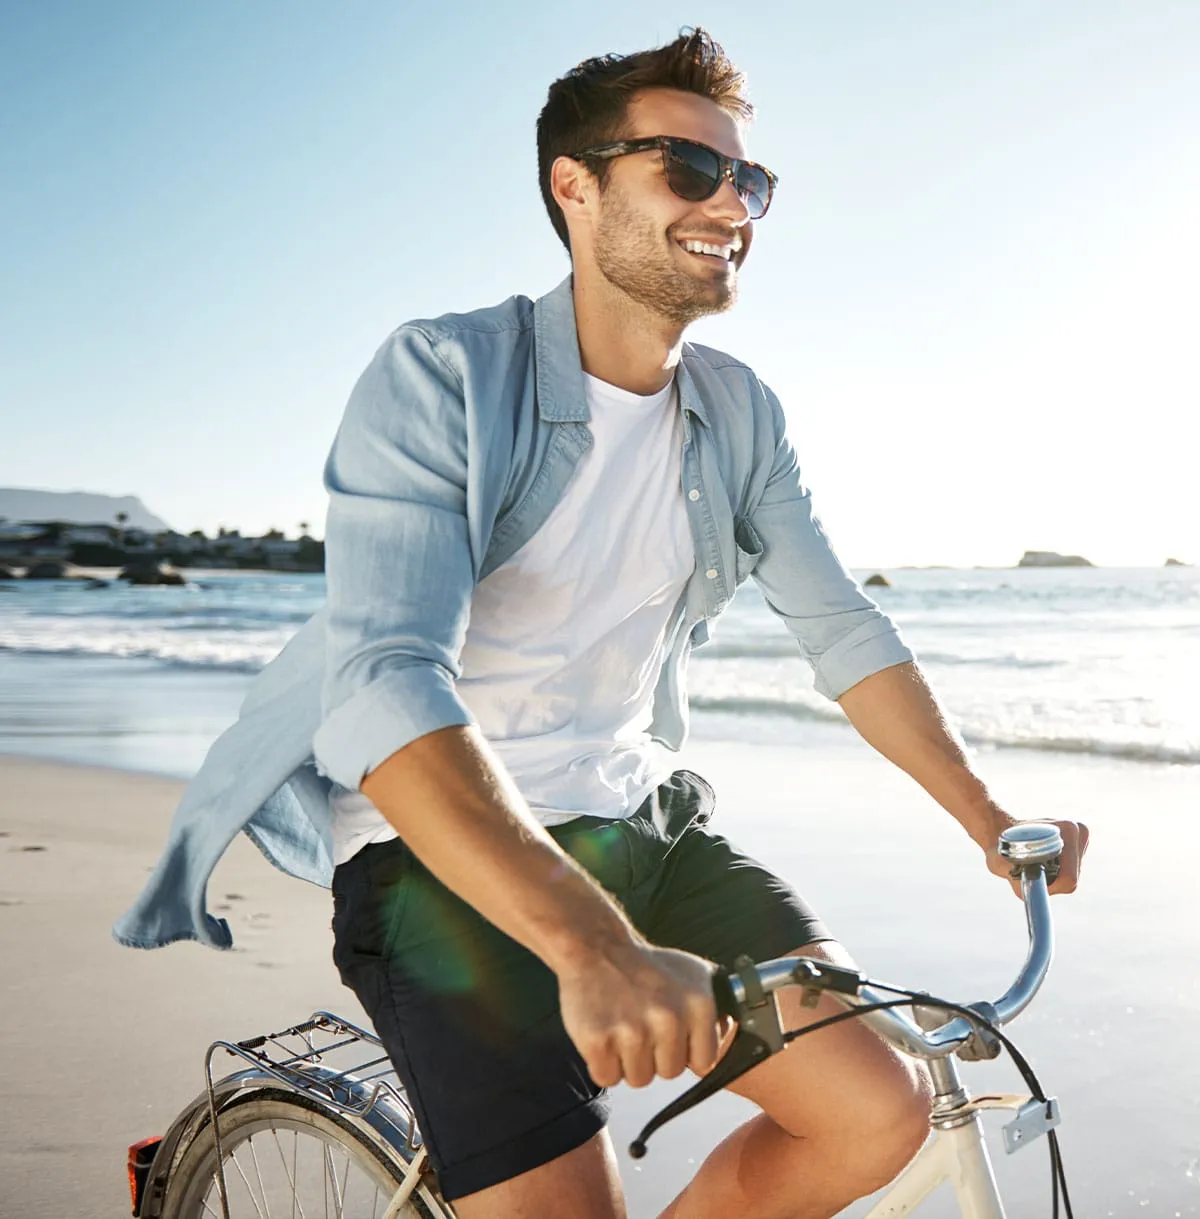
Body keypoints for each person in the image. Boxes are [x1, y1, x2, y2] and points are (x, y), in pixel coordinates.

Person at [114, 27, 1088, 1219]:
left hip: (641, 828)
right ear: (574, 187)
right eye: (691, 167)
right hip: (439, 866)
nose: (731, 203)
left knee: (877, 1109)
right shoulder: (444, 375)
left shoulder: (739, 412)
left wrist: (990, 820)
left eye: (749, 178)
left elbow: (844, 632)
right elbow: (385, 682)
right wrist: (591, 945)